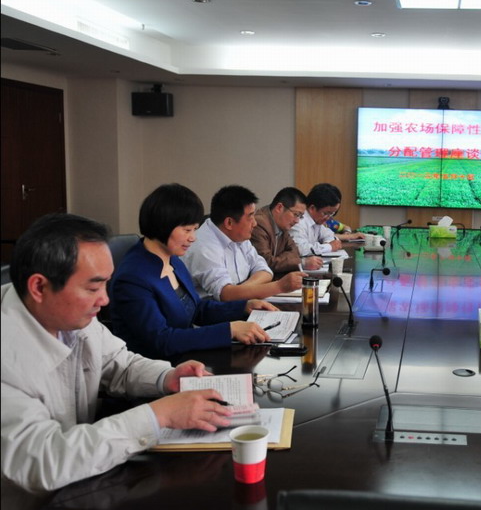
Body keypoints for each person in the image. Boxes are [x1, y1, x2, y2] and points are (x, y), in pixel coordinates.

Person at [1, 213, 235, 493]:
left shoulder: (68, 314)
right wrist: (157, 416)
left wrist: (167, 376)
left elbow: (119, 363)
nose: (105, 299)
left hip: (83, 479)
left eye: (105, 284)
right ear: (39, 287)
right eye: (93, 287)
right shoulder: (7, 357)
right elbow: (43, 460)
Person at [111, 184, 273, 360]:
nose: (193, 238)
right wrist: (228, 330)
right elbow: (161, 340)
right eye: (187, 230)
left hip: (186, 357)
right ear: (164, 224)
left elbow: (196, 309)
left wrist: (244, 307)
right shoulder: (133, 278)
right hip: (159, 367)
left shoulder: (172, 259)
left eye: (195, 229)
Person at [182, 185, 305, 301]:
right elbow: (225, 295)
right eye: (250, 217)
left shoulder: (239, 236)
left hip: (239, 303)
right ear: (229, 223)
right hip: (212, 311)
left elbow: (265, 270)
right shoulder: (204, 248)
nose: (255, 223)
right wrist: (279, 286)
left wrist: (241, 291)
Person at [250, 187, 324, 275]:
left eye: (300, 216)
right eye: (296, 214)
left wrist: (279, 259)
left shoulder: (282, 223)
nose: (297, 221)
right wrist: (302, 262)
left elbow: (295, 251)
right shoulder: (259, 224)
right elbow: (266, 262)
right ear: (279, 208)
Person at [289, 183, 364, 256]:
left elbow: (329, 235)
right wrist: (329, 247)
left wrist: (328, 244)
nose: (328, 218)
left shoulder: (317, 221)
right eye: (326, 213)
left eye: (332, 214)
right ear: (312, 208)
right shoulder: (298, 222)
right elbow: (300, 249)